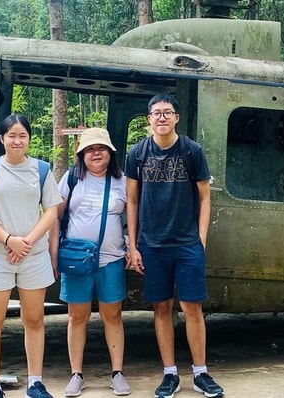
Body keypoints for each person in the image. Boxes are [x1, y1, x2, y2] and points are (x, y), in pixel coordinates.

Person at [125, 93, 225, 398]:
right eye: (156, 113)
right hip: (152, 245)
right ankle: (170, 374)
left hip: (186, 244)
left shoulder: (191, 152)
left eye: (167, 113)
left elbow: (206, 197)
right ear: (149, 120)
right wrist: (133, 245)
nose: (162, 118)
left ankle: (200, 373)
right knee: (161, 307)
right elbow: (131, 200)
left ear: (176, 118)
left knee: (192, 307)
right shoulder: (138, 154)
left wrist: (201, 239)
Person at [0, 113, 63, 398]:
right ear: (2, 139)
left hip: (33, 255)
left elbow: (51, 210)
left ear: (28, 139)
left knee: (34, 320)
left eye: (22, 135)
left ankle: (35, 382)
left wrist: (26, 242)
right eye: (11, 135)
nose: (16, 140)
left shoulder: (41, 170)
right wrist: (9, 240)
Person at [56, 128, 131, 397]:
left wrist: (133, 247)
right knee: (77, 317)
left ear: (110, 153)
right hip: (76, 260)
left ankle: (117, 373)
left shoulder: (123, 181)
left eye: (101, 148)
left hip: (111, 259)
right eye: (89, 149)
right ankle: (76, 373)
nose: (96, 153)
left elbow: (133, 218)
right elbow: (55, 214)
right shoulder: (72, 179)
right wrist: (53, 252)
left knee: (113, 316)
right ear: (81, 155)